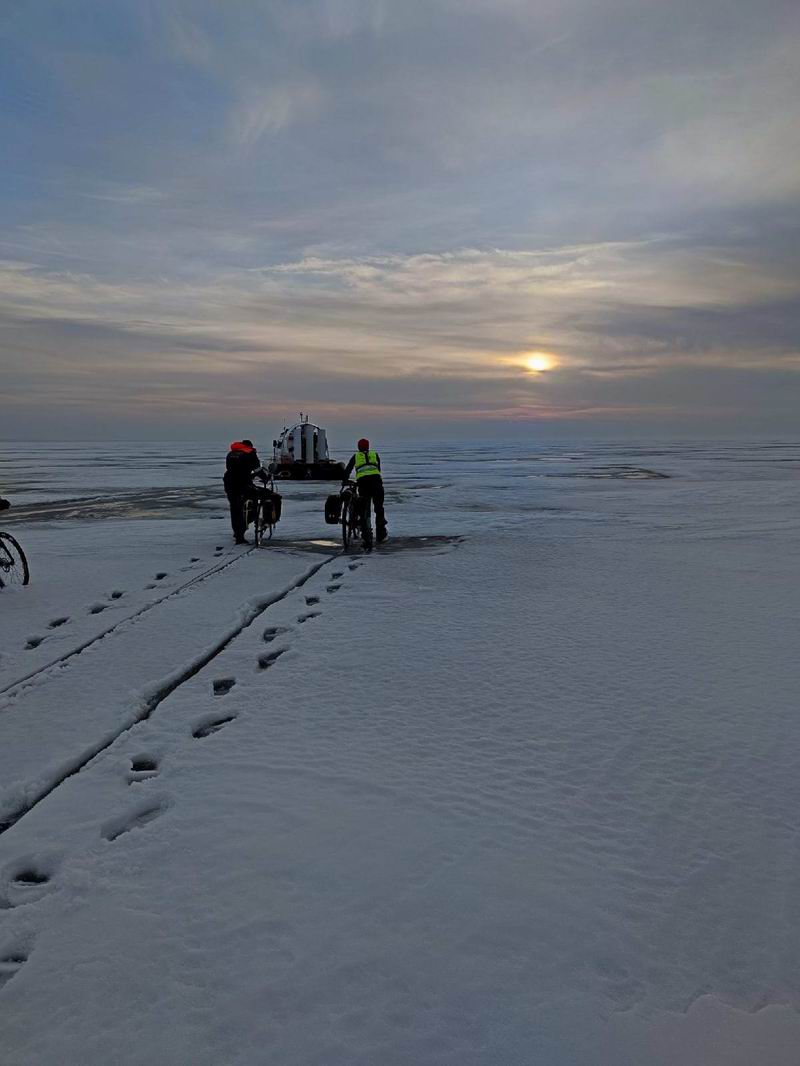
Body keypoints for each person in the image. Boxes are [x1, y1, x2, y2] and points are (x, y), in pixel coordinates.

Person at [223, 439, 269, 544]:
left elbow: (233, 469)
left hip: (230, 482)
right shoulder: (250, 453)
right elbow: (257, 469)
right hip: (242, 483)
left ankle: (237, 533)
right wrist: (265, 478)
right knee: (254, 499)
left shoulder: (231, 454)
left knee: (235, 508)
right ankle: (249, 522)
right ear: (250, 446)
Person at [342, 437, 387, 543]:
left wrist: (344, 481)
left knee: (364, 509)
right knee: (379, 509)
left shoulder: (356, 456)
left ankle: (366, 533)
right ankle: (381, 535)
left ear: (358, 447)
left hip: (363, 484)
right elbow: (378, 469)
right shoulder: (374, 454)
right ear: (368, 446)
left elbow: (348, 470)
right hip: (376, 483)